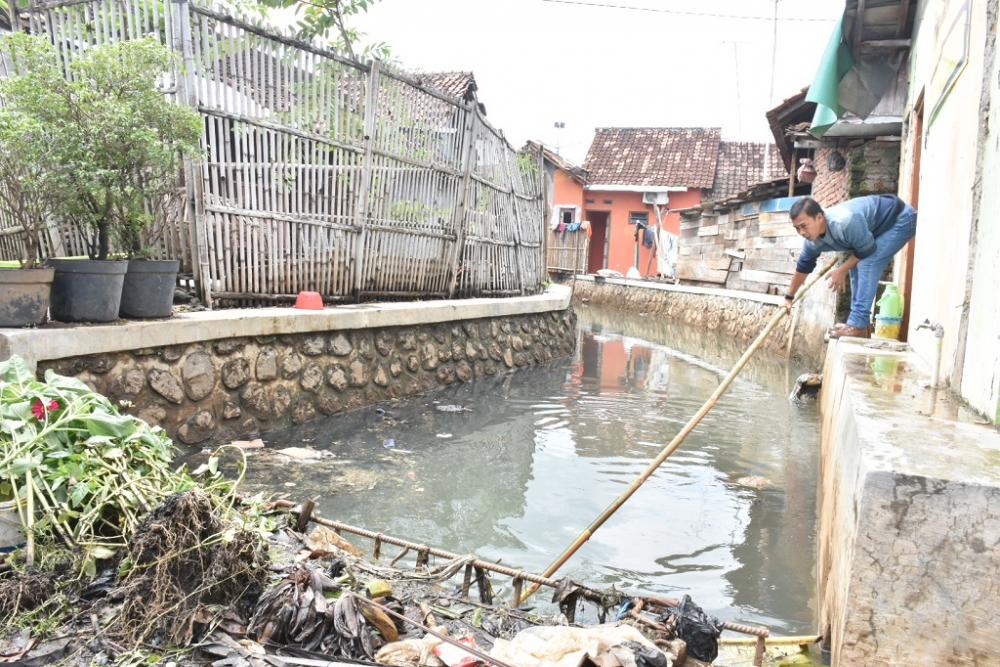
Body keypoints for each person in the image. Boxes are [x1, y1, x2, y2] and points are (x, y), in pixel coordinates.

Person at [783, 194, 917, 339]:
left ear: (819, 217)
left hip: (900, 219)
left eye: (804, 226)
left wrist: (841, 270)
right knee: (856, 265)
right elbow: (803, 267)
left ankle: (857, 326)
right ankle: (860, 325)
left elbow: (867, 250)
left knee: (867, 262)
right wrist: (788, 297)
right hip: (878, 229)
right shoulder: (811, 241)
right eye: (797, 228)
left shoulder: (844, 222)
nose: (801, 232)